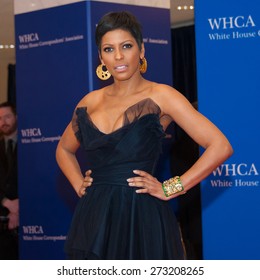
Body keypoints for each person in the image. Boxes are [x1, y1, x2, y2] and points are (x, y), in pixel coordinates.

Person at [56, 11, 233, 260]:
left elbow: (220, 145)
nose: (118, 56)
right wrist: (78, 184)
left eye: (126, 46)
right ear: (100, 57)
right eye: (108, 49)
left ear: (141, 50)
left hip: (141, 216)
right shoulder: (89, 102)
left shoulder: (163, 96)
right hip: (93, 217)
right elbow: (63, 150)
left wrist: (171, 188)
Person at [0, 101, 19, 259]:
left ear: (16, 117)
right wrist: (7, 203)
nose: (3, 122)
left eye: (7, 117)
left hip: (29, 215)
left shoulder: (31, 144)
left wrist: (19, 206)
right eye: (0, 118)